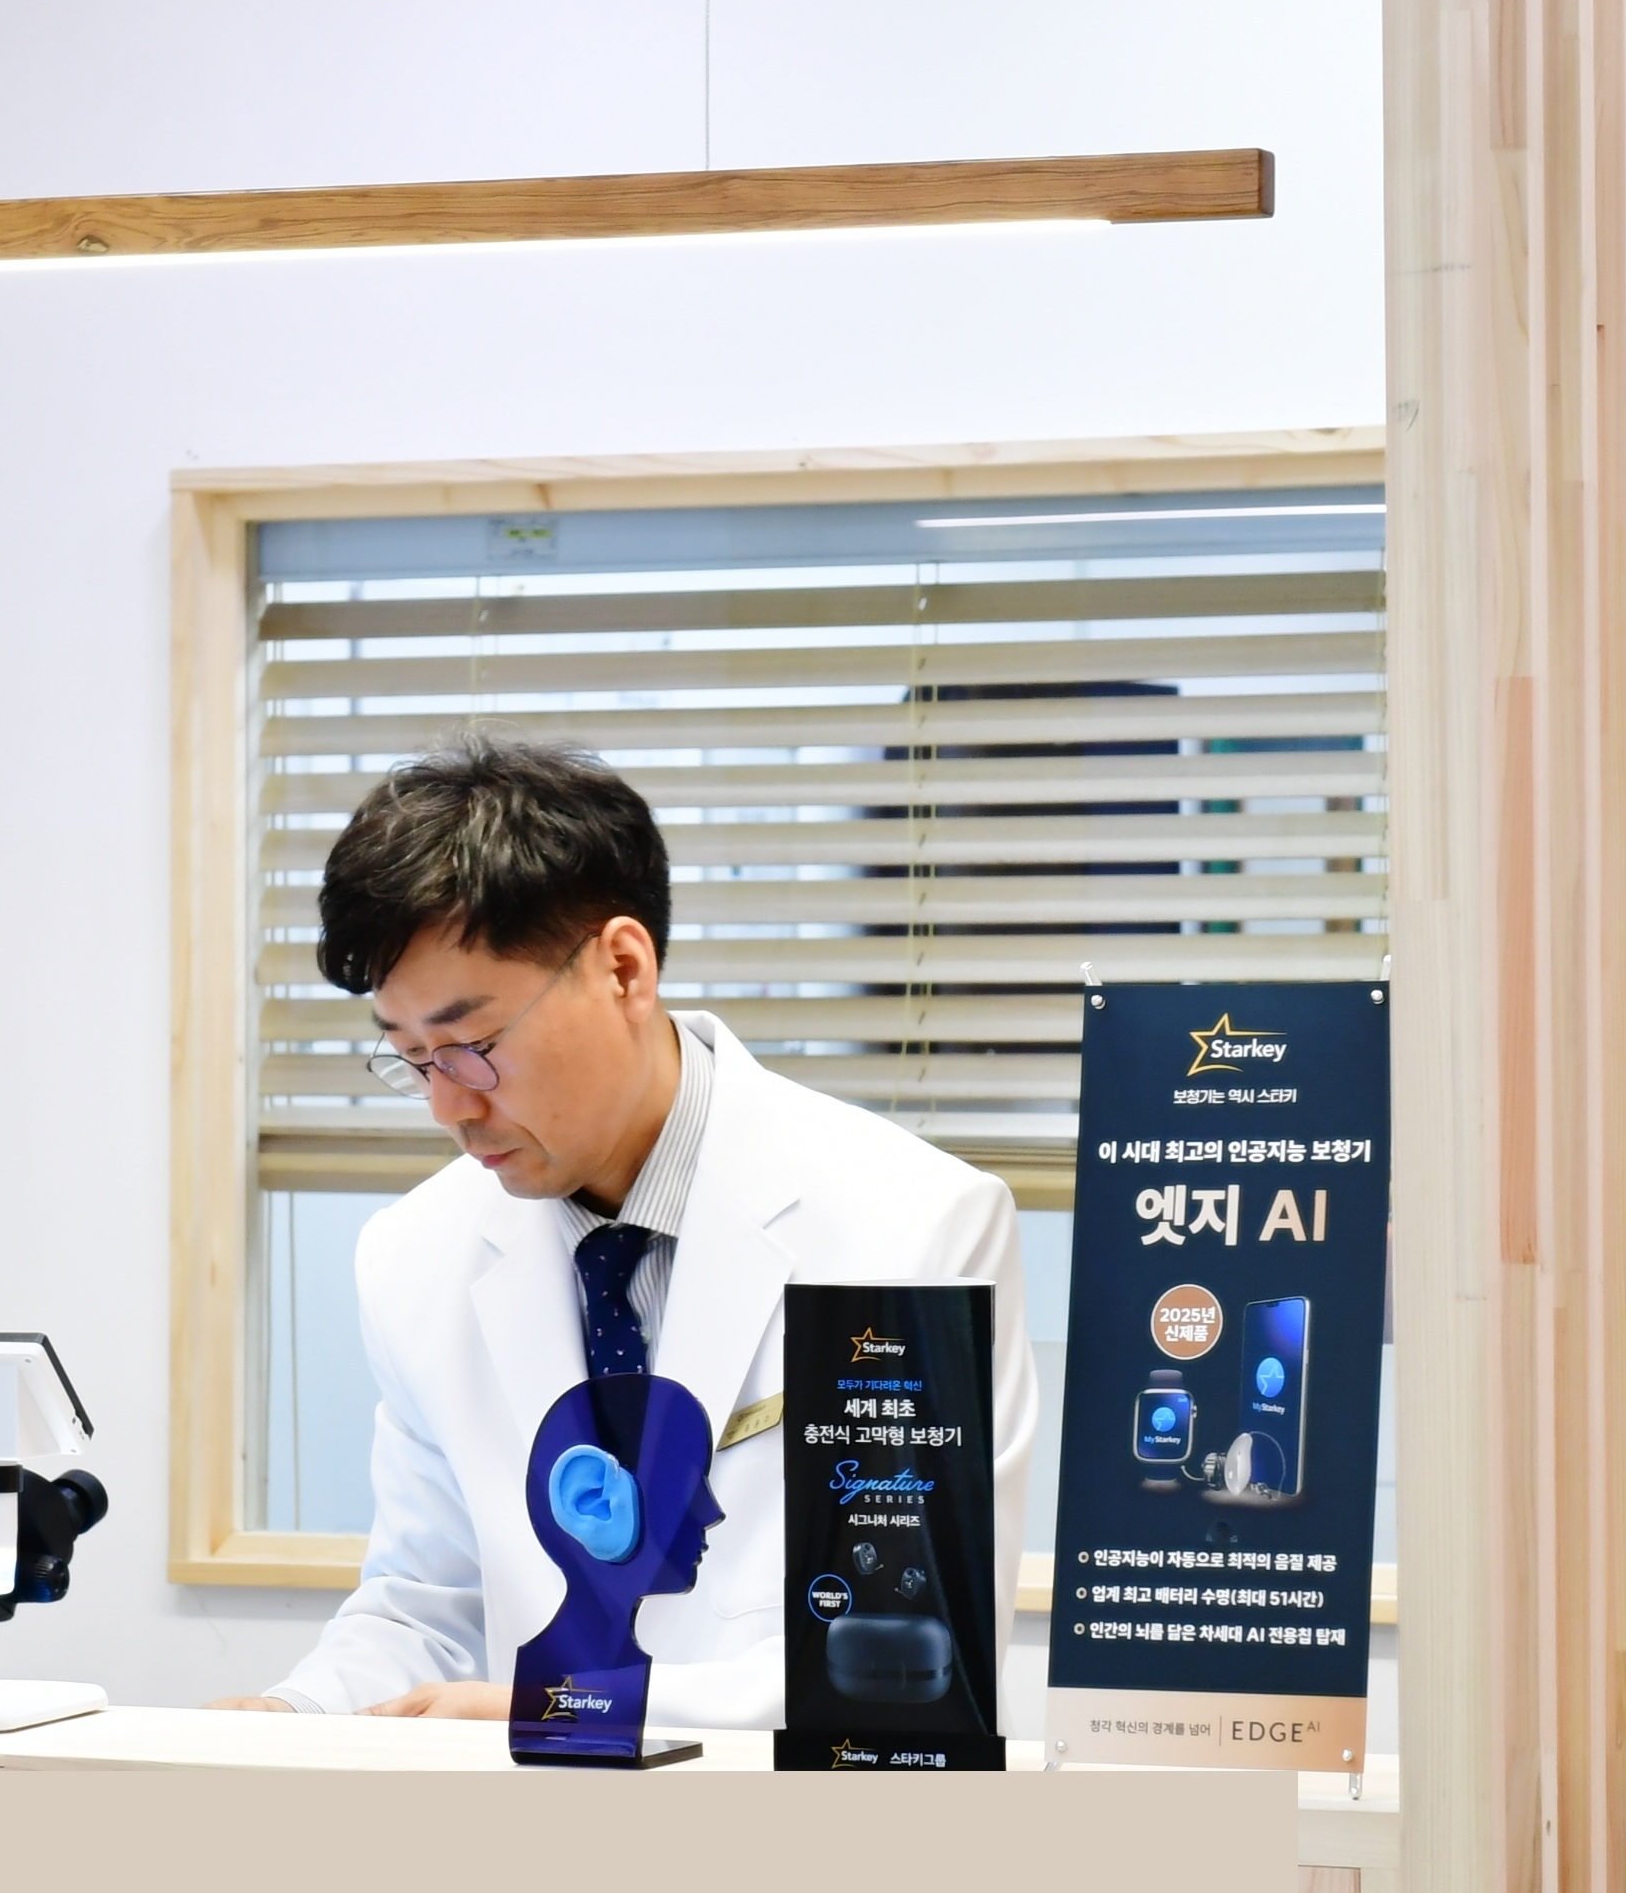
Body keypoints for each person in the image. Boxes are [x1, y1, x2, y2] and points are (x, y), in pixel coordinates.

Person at [218, 736, 1040, 1725]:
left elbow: (908, 1653)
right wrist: (295, 1712)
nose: (449, 1107)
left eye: (472, 1046)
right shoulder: (413, 1257)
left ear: (622, 967)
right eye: (412, 1058)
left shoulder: (910, 1228)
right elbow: (427, 1609)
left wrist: (572, 1708)